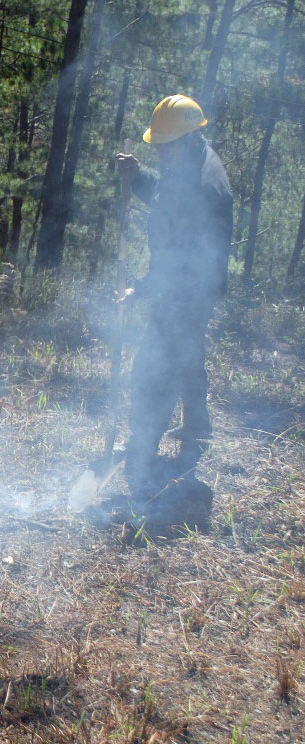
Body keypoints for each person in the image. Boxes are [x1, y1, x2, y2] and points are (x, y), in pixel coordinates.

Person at [115, 94, 233, 517]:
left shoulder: (202, 187)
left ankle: (143, 450)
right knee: (187, 354)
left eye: (164, 145)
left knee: (155, 367)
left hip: (188, 289)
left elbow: (175, 260)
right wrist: (138, 176)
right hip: (190, 285)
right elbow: (165, 195)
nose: (159, 151)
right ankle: (199, 429)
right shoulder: (187, 165)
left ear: (187, 138)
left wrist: (140, 289)